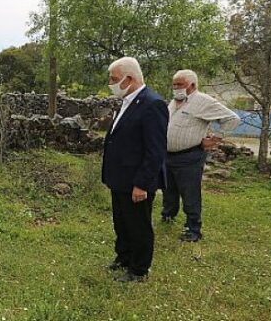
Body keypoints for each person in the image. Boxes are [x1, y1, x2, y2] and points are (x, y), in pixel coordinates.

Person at [102, 57, 168, 282]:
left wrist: (142, 183)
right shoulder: (128, 102)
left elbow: (155, 150)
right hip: (119, 177)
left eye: (114, 79)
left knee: (138, 224)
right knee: (121, 221)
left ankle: (139, 269)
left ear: (129, 79)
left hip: (136, 180)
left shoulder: (152, 104)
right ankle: (124, 257)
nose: (111, 83)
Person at [163, 70, 240, 242]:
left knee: (190, 192)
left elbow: (232, 118)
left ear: (192, 85)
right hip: (168, 155)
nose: (176, 88)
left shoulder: (203, 101)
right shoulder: (175, 102)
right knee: (169, 188)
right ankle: (168, 215)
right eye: (174, 84)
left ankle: (193, 229)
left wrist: (216, 138)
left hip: (189, 155)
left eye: (180, 85)